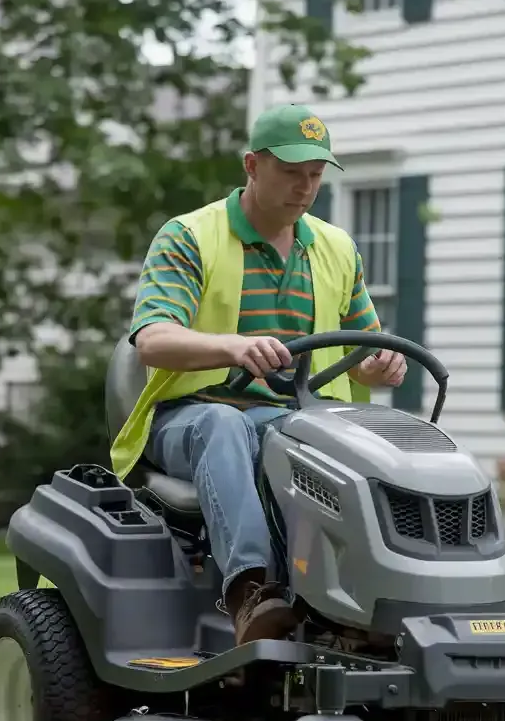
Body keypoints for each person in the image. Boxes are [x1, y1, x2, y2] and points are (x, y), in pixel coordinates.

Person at [109, 103, 407, 645]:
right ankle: (251, 592)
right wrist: (232, 347)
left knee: (368, 453)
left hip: (297, 420)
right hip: (193, 416)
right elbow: (152, 340)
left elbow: (363, 350)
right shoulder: (189, 236)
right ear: (251, 165)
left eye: (315, 175)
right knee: (224, 426)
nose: (305, 187)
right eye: (290, 172)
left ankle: (376, 602)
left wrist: (380, 365)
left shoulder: (338, 248)